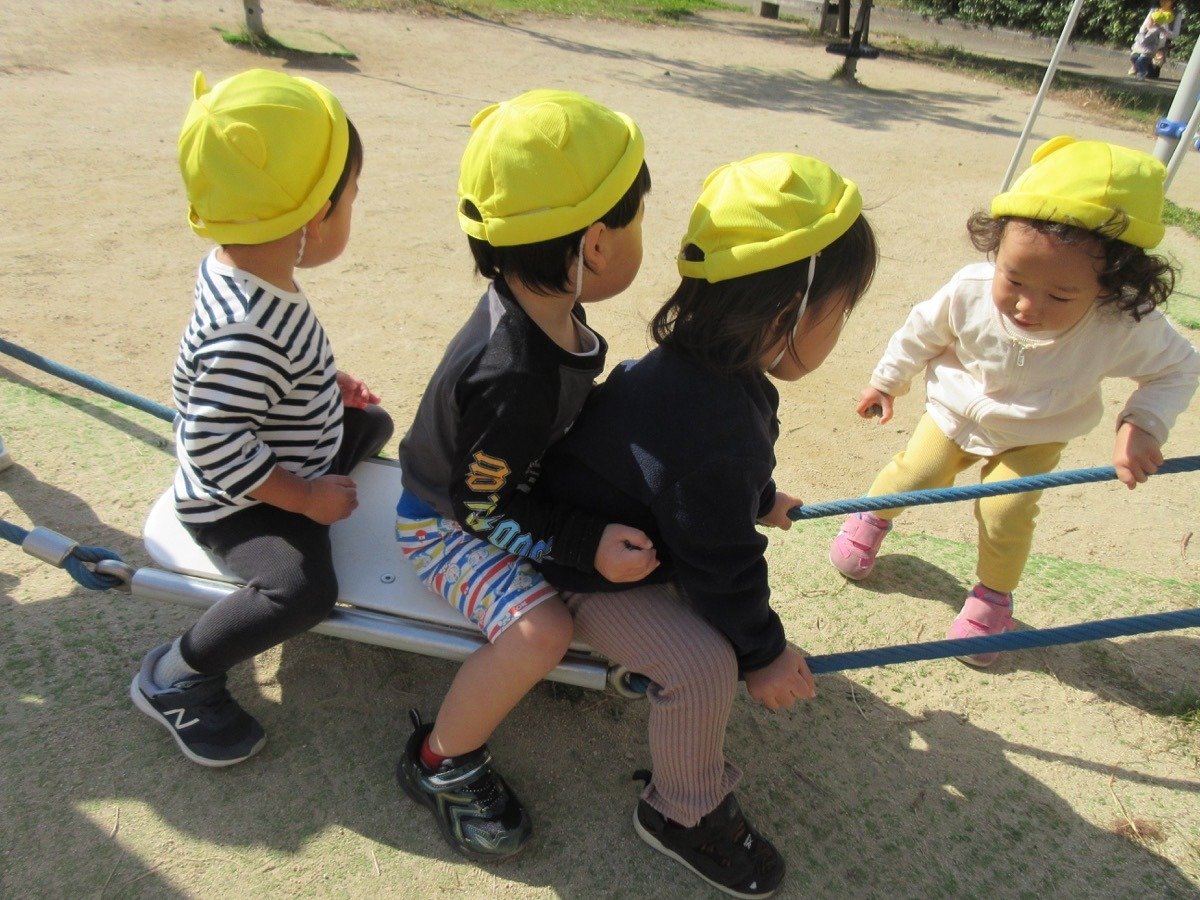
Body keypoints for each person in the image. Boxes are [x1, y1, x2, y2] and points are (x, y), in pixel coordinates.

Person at [534, 152, 879, 897]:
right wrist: (763, 654)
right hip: (578, 566)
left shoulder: (704, 368)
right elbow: (720, 560)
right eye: (840, 312)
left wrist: (758, 498)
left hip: (629, 534)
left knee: (716, 617)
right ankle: (682, 812)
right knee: (704, 667)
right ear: (786, 315)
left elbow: (685, 482)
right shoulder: (716, 420)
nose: (841, 329)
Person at [394, 89, 657, 862]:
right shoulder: (515, 376)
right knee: (542, 634)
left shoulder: (542, 307)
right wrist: (582, 543)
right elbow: (481, 508)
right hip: (442, 525)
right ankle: (440, 761)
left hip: (495, 494)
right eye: (640, 219)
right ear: (596, 245)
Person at [829, 136, 1200, 667]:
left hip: (1035, 433)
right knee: (917, 473)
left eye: (1060, 295)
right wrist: (887, 381)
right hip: (954, 412)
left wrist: (1142, 424)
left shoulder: (1121, 324)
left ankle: (992, 598)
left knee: (1006, 509)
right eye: (1014, 278)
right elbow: (922, 331)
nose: (1027, 305)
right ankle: (871, 518)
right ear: (997, 247)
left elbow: (1179, 367)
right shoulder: (971, 289)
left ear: (1111, 286)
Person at [130, 69, 394, 767]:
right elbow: (214, 447)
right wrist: (304, 498)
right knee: (302, 592)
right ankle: (176, 676)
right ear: (313, 221)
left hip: (281, 445)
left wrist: (324, 382)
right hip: (236, 501)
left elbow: (267, 374)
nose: (354, 209)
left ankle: (321, 466)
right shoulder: (247, 328)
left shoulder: (245, 267)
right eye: (352, 197)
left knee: (371, 422)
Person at [1130, 8, 1175, 79]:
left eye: (1149, 20)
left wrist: (1140, 35)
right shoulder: (1153, 29)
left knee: (1140, 62)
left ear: (1154, 22)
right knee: (1136, 58)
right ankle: (1141, 71)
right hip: (1145, 50)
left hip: (1148, 51)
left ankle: (1142, 73)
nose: (1147, 22)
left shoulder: (1153, 31)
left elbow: (1144, 41)